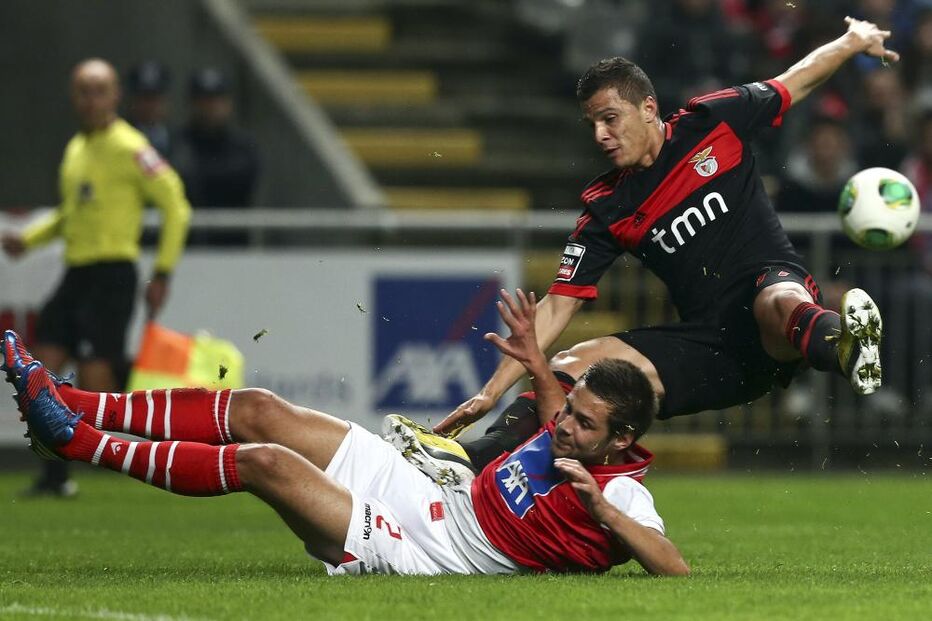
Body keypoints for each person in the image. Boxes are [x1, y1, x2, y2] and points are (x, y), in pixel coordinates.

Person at [410, 17, 894, 474]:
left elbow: (798, 79)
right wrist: (491, 392)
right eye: (593, 124)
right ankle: (473, 459)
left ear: (647, 108)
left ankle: (844, 346)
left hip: (776, 308)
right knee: (572, 366)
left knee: (776, 300)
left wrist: (852, 41)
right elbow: (558, 306)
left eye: (610, 119)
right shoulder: (608, 206)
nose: (601, 135)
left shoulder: (713, 122)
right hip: (710, 348)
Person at [0, 289, 690, 577]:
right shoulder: (572, 428)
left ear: (622, 441)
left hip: (427, 550)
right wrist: (541, 368)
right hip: (430, 491)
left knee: (264, 460)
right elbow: (552, 416)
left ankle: (76, 442)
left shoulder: (622, 494)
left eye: (584, 423)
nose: (565, 426)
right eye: (570, 410)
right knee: (260, 407)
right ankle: (71, 398)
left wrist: (600, 509)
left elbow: (674, 565)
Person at [0, 58, 191, 497]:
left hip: (112, 274)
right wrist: (29, 240)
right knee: (40, 367)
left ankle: (158, 427)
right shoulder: (76, 149)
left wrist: (163, 270)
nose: (91, 100)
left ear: (115, 95)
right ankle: (55, 476)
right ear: (74, 97)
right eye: (84, 91)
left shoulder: (130, 146)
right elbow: (72, 214)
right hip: (77, 272)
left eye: (99, 90)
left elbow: (176, 205)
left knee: (96, 380)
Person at [125, 60, 174, 158]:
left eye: (155, 97)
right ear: (133, 100)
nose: (150, 105)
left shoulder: (179, 141)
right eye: (144, 97)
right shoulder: (121, 138)